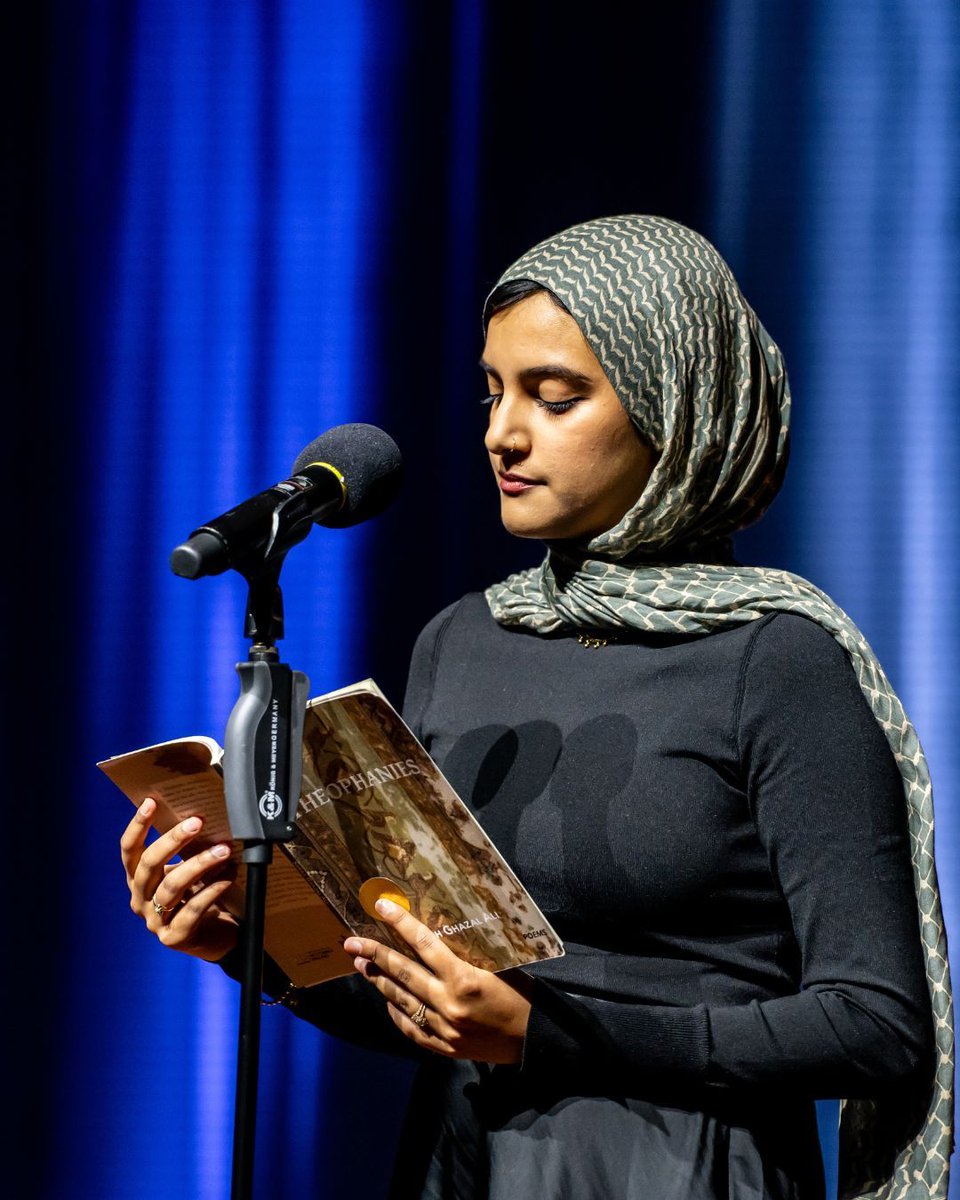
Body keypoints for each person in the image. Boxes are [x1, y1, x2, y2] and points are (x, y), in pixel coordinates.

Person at [121, 215, 953, 1199]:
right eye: (493, 392)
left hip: (682, 1169)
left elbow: (876, 1026)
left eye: (555, 398)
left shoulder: (776, 661)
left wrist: (548, 1036)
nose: (502, 432)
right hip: (464, 1161)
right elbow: (419, 999)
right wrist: (243, 946)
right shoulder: (464, 641)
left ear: (674, 410)